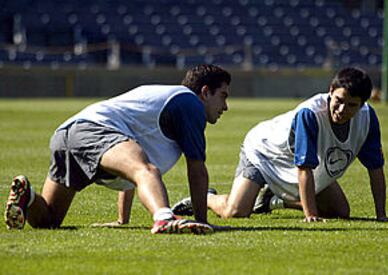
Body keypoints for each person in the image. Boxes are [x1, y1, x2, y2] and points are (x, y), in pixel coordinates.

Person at [4, 64, 231, 234]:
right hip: (92, 130)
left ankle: (28, 196)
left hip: (67, 134)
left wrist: (123, 219)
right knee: (147, 170)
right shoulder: (190, 104)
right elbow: (197, 169)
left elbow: (129, 160)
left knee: (49, 221)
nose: (225, 107)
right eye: (223, 96)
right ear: (204, 92)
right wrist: (202, 221)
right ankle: (163, 218)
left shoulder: (172, 103)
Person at [172, 67, 388, 222]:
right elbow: (304, 169)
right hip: (264, 152)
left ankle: (271, 200)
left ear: (362, 105)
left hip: (300, 162)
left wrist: (381, 216)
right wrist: (310, 216)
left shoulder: (368, 119)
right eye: (339, 101)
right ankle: (207, 197)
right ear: (331, 90)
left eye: (351, 105)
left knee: (339, 212)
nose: (341, 110)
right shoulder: (310, 114)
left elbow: (375, 167)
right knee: (235, 211)